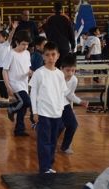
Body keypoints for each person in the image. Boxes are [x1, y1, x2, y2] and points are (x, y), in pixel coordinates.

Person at [28, 41, 67, 174]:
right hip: (43, 113)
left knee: (53, 141)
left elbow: (62, 93)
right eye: (48, 55)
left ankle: (49, 165)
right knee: (44, 142)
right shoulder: (39, 73)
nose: (50, 57)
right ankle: (44, 168)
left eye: (53, 54)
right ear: (43, 57)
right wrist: (35, 111)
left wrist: (61, 109)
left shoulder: (60, 74)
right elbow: (33, 93)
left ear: (58, 56)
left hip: (56, 113)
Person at [58, 54, 89, 154]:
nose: (70, 73)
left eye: (73, 70)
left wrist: (80, 101)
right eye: (67, 70)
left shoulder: (74, 80)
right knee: (58, 127)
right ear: (61, 68)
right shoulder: (55, 78)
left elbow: (70, 95)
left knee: (73, 125)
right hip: (53, 105)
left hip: (64, 104)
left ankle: (65, 147)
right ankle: (49, 144)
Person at [4, 31, 32, 137]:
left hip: (24, 84)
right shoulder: (11, 53)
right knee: (26, 102)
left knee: (23, 107)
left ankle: (19, 130)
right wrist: (8, 86)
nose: (25, 46)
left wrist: (31, 73)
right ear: (17, 42)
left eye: (27, 44)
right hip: (14, 84)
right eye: (23, 44)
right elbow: (5, 70)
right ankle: (11, 108)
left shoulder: (27, 53)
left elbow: (27, 68)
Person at [0, 21, 17, 100]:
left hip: (5, 67)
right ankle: (2, 96)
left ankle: (6, 97)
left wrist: (14, 28)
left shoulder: (6, 44)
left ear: (4, 38)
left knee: (3, 82)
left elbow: (11, 36)